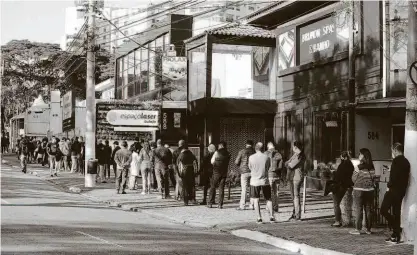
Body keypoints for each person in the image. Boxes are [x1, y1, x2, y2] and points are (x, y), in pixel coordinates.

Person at [381, 143, 410, 243]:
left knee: (383, 210)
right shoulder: (406, 162)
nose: (392, 153)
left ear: (396, 150)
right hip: (401, 191)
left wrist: (388, 186)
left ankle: (396, 229)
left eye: (393, 151)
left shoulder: (395, 161)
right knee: (396, 212)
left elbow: (393, 177)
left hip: (393, 190)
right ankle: (395, 235)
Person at [349, 148, 376, 235]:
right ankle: (368, 229)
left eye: (360, 154)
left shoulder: (358, 167)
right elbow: (373, 179)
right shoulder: (372, 167)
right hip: (370, 190)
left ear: (364, 156)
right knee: (368, 209)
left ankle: (358, 229)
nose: (359, 156)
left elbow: (353, 179)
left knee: (359, 209)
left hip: (359, 190)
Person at [249, 142, 274, 223]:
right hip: (264, 181)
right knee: (268, 199)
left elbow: (250, 167)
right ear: (263, 149)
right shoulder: (267, 157)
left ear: (255, 148)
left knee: (256, 199)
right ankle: (271, 216)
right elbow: (268, 167)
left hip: (254, 181)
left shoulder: (251, 157)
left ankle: (259, 218)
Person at [331, 151, 354, 227]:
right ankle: (345, 219)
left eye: (341, 157)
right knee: (344, 204)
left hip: (340, 185)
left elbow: (338, 176)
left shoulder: (342, 165)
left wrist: (334, 174)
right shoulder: (351, 165)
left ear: (343, 157)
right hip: (347, 185)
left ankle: (337, 221)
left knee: (336, 203)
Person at [285, 141, 305, 221]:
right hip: (293, 177)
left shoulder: (299, 156)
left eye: (293, 147)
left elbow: (290, 165)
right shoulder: (296, 155)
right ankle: (294, 213)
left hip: (296, 177)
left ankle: (297, 215)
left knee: (296, 197)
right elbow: (287, 163)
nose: (292, 148)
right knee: (294, 196)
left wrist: (288, 163)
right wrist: (288, 163)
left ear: (296, 147)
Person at [208, 141, 230, 209]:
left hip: (216, 172)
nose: (218, 147)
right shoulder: (228, 153)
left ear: (221, 145)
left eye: (218, 145)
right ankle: (220, 204)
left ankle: (210, 203)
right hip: (224, 172)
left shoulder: (216, 152)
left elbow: (212, 161)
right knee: (221, 189)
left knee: (212, 187)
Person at [235, 140, 256, 210]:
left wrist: (241, 166)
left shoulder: (242, 151)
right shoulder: (254, 152)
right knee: (252, 188)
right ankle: (252, 205)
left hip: (244, 172)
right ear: (252, 145)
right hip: (253, 172)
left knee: (244, 189)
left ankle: (242, 205)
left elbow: (236, 162)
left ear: (246, 144)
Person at [264, 141, 283, 213]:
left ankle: (268, 207)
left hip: (269, 175)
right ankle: (276, 207)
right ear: (274, 147)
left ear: (268, 147)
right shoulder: (279, 154)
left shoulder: (265, 154)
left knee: (268, 191)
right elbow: (281, 166)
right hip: (277, 175)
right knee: (276, 192)